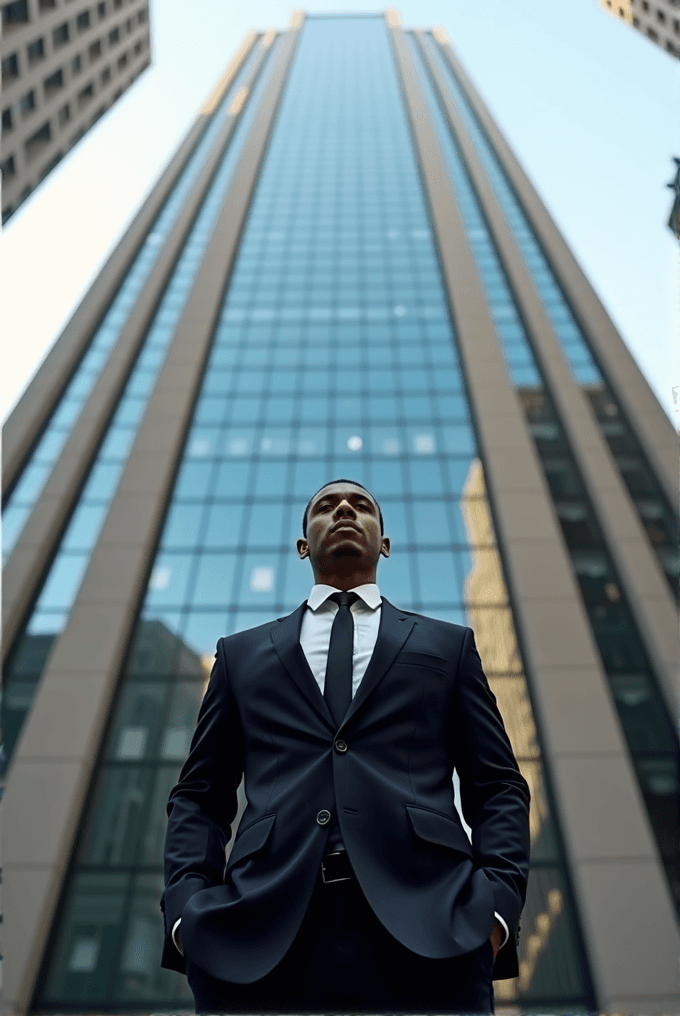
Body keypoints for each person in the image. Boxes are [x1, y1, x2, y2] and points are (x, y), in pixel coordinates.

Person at [161, 479, 530, 1013]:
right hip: (259, 936)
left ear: (384, 543)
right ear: (302, 545)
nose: (343, 512)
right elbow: (200, 795)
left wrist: (494, 910)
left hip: (432, 931)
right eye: (325, 508)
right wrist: (186, 913)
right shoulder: (240, 655)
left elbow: (497, 786)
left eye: (361, 506)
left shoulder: (448, 647)